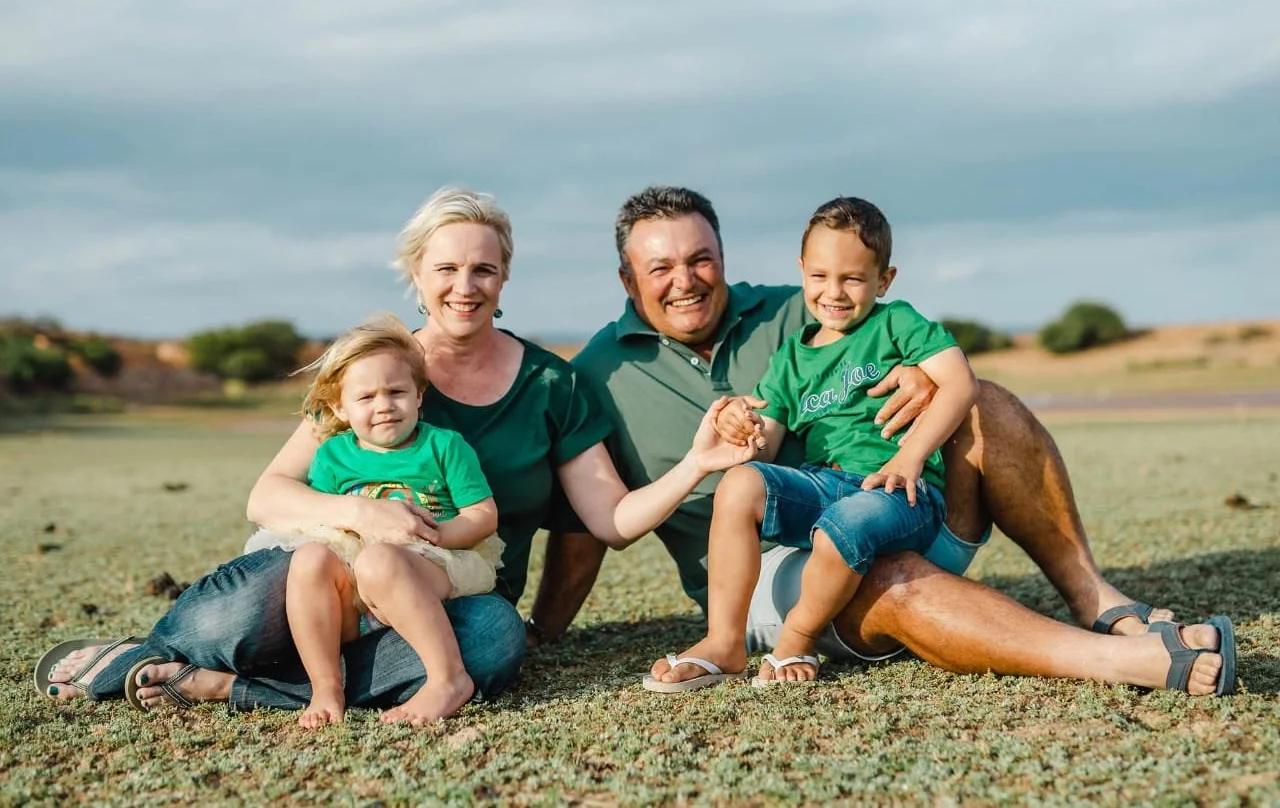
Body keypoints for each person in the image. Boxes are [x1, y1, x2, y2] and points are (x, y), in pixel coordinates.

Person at [35, 186, 754, 717]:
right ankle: (158, 653)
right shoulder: (373, 369)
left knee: (491, 647)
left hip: (449, 598)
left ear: (504, 279)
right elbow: (269, 495)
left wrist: (698, 463)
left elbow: (610, 520)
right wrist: (366, 517)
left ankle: (232, 687)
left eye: (483, 270)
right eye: (446, 269)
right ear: (417, 275)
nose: (464, 287)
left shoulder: (550, 382)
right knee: (237, 612)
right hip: (329, 582)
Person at [536, 184, 1235, 697]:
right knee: (881, 572)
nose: (685, 281)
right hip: (765, 571)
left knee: (981, 399)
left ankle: (1095, 598)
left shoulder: (798, 305)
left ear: (723, 255)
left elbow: (876, 328)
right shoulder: (595, 373)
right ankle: (1122, 661)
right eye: (660, 268)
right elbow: (586, 519)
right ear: (628, 279)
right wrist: (546, 631)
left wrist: (917, 378)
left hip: (887, 497)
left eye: (701, 258)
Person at [644, 195, 979, 691]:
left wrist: (909, 458)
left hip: (899, 493)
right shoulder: (792, 357)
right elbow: (767, 442)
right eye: (820, 276)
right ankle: (723, 640)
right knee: (740, 485)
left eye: (853, 278)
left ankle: (797, 639)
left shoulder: (896, 323)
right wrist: (742, 427)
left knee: (846, 521)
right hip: (825, 483)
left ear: (884, 280)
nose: (834, 292)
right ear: (802, 269)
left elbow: (961, 383)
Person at [255, 314, 505, 727]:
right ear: (339, 406)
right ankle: (326, 687)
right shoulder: (334, 455)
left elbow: (483, 516)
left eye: (396, 391)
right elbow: (323, 518)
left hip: (434, 560)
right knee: (310, 559)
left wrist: (434, 535)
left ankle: (447, 678)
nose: (384, 405)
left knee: (380, 561)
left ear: (420, 394)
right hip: (357, 571)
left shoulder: (443, 446)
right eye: (366, 397)